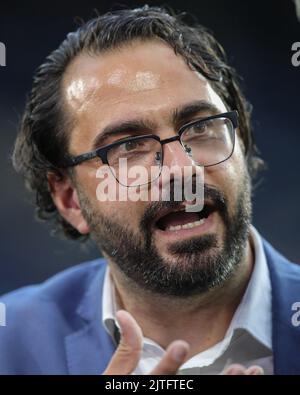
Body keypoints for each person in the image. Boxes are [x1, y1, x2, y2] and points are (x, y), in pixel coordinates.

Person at [0, 6, 299, 375]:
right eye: (128, 147)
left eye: (201, 127)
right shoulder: (8, 343)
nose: (181, 168)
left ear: (241, 140)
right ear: (70, 199)